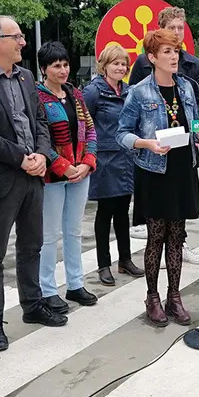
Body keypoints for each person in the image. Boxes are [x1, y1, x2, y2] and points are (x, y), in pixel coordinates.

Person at [0, 15, 67, 353]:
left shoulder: (26, 77)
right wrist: (21, 157)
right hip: (1, 180)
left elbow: (39, 120)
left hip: (33, 176)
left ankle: (32, 305)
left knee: (32, 246)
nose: (23, 42)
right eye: (16, 36)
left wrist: (42, 154)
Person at [117, 29, 199, 327]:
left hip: (182, 168)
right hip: (154, 170)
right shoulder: (139, 91)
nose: (174, 56)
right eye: (167, 51)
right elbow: (122, 134)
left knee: (176, 237)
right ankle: (152, 297)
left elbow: (194, 122)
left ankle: (174, 296)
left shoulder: (188, 87)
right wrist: (147, 143)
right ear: (152, 57)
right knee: (156, 237)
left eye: (176, 51)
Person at [127, 6, 199, 266]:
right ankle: (153, 296)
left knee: (178, 223)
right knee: (158, 230)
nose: (176, 33)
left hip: (183, 153)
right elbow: (135, 110)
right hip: (155, 158)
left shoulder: (192, 68)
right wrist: (145, 141)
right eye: (171, 28)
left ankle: (177, 274)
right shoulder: (142, 65)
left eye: (180, 28)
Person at [34, 41, 99, 314]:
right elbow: (39, 138)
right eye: (56, 65)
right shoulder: (37, 96)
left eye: (65, 64)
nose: (62, 70)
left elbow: (90, 130)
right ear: (43, 69)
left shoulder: (75, 94)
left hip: (80, 172)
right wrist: (61, 164)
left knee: (73, 232)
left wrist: (88, 161)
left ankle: (75, 283)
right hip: (52, 176)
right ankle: (47, 290)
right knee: (49, 235)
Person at [83, 45, 145, 285]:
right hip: (104, 159)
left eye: (123, 64)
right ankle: (103, 264)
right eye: (115, 63)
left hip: (126, 158)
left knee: (122, 211)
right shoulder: (93, 92)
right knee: (105, 212)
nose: (120, 68)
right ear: (104, 65)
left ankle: (125, 259)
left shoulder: (129, 91)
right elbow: (85, 125)